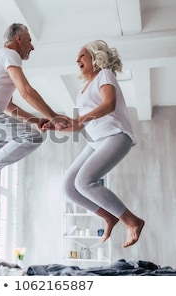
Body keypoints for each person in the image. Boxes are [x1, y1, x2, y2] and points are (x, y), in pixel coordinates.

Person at [0, 23, 68, 203]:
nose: (31, 47)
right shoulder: (9, 54)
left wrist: (35, 120)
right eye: (30, 41)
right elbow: (26, 91)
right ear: (19, 39)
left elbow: (9, 106)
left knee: (14, 144)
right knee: (33, 137)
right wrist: (52, 117)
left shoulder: (0, 59)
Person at [56, 40, 144, 248]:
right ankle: (109, 217)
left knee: (84, 181)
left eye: (82, 55)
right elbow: (79, 126)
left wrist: (79, 120)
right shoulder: (80, 93)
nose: (77, 59)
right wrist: (55, 126)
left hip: (115, 135)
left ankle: (133, 221)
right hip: (95, 141)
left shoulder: (104, 75)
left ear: (96, 57)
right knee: (68, 187)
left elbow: (108, 104)